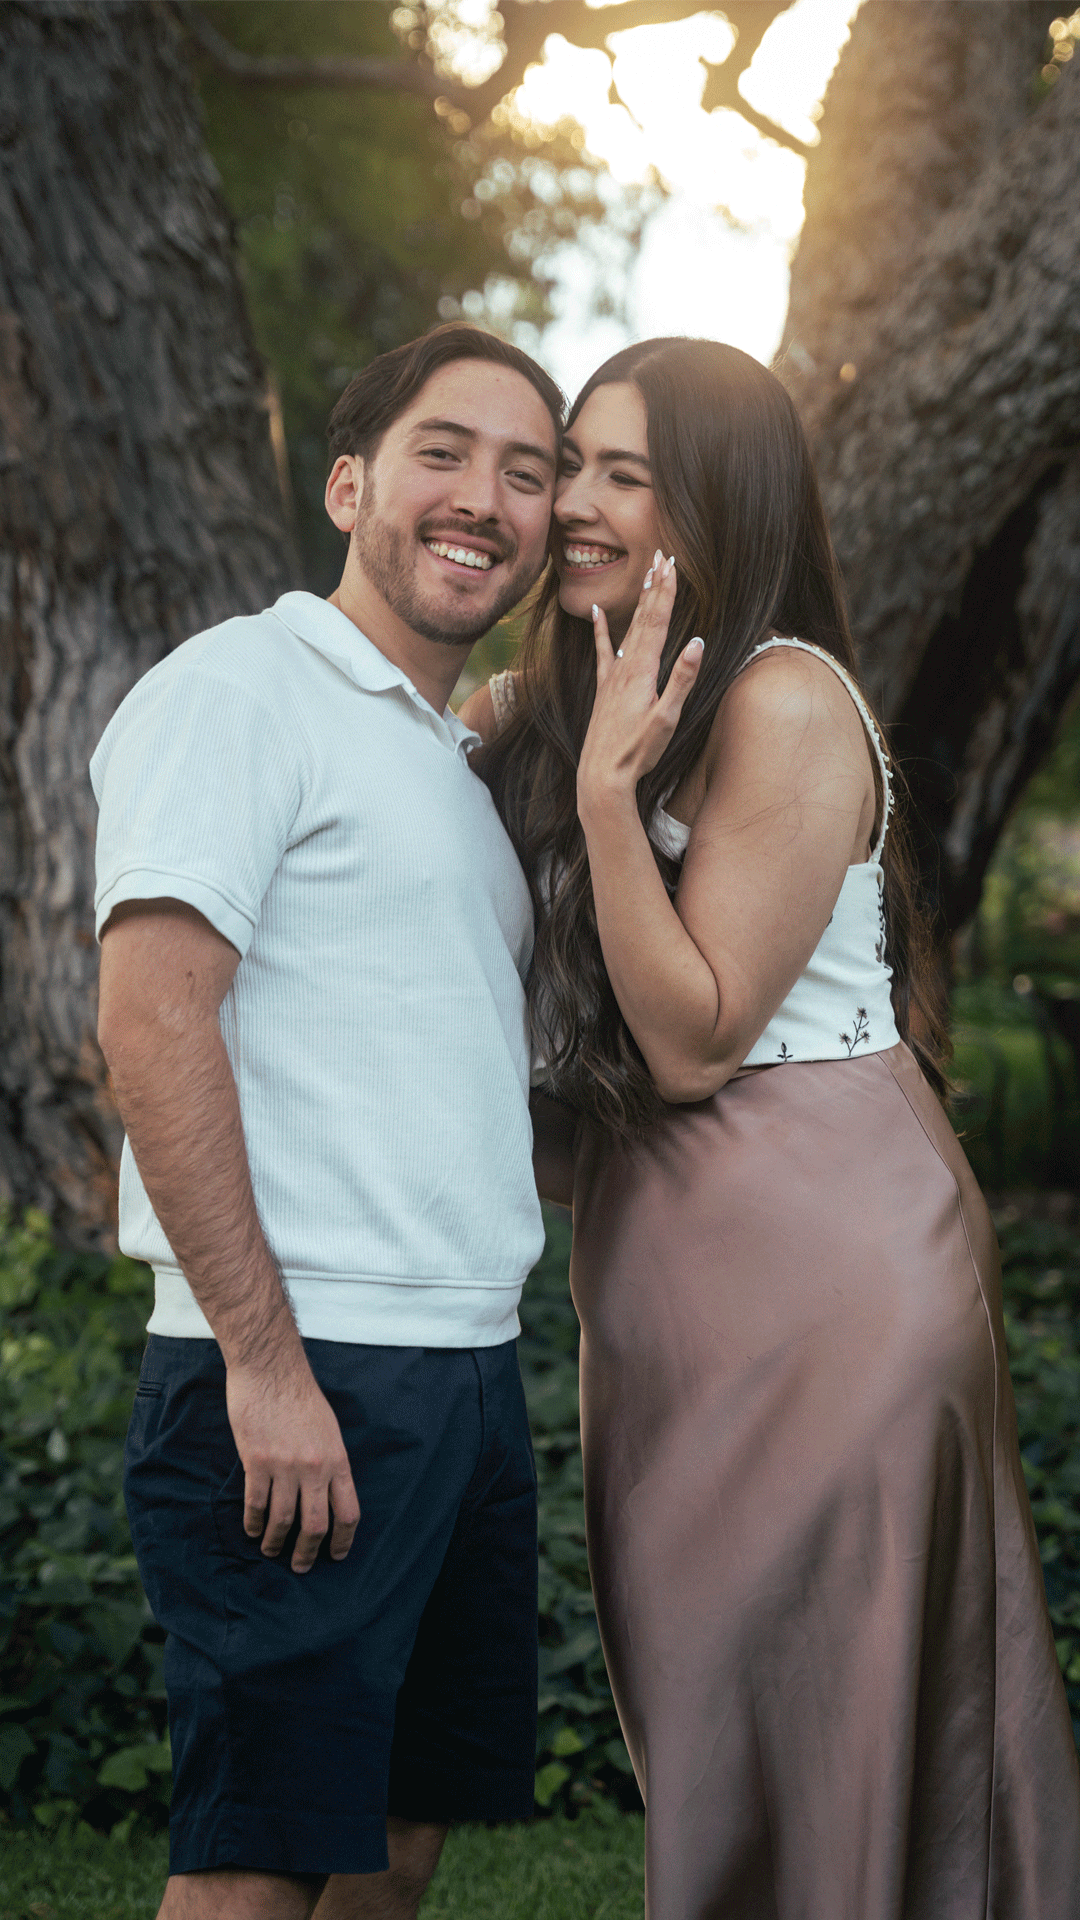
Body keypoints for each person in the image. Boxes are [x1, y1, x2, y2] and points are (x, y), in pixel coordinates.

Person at [464, 336, 1080, 1918]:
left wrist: (607, 802)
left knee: (838, 1704)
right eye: (571, 462)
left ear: (716, 501)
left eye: (623, 472)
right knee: (706, 1699)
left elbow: (693, 1039)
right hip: (661, 1274)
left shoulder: (785, 698)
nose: (574, 500)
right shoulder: (579, 697)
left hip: (830, 1266)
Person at [92, 324, 563, 1920]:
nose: (485, 498)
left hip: (464, 1370)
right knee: (260, 1864)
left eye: (527, 472)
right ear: (349, 486)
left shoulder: (451, 760)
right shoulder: (240, 689)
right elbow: (153, 1021)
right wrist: (265, 1362)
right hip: (308, 1369)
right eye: (445, 452)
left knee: (401, 1835)